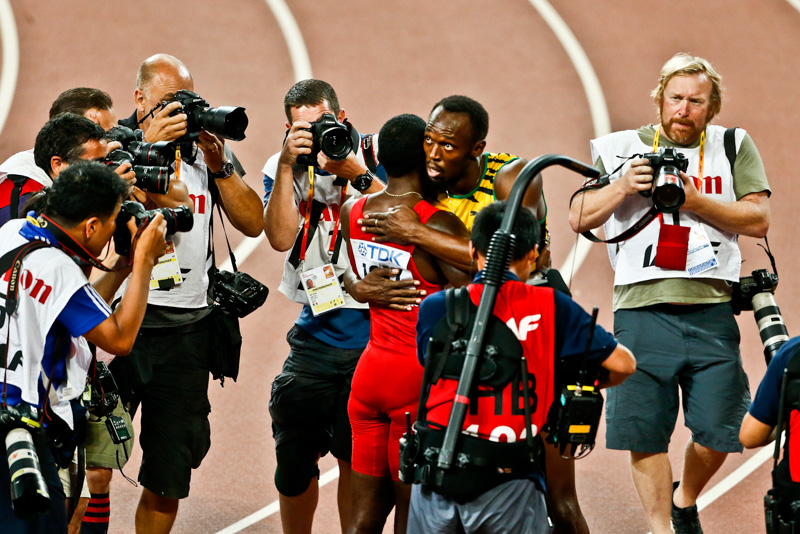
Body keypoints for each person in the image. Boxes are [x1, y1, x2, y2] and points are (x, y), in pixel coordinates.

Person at [352, 96, 587, 534]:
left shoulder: (511, 177)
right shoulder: (430, 184)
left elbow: (510, 261)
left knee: (559, 500)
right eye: (429, 141)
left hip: (531, 345)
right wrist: (355, 287)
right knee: (455, 492)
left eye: (448, 147)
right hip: (473, 360)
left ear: (476, 149)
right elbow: (383, 203)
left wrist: (418, 233)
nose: (434, 155)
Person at [568, 52, 771, 534]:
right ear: (660, 99)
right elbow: (579, 215)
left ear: (712, 106)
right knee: (646, 431)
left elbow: (758, 218)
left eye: (696, 101)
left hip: (711, 309)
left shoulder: (733, 144)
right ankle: (663, 529)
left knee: (724, 431)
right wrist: (620, 187)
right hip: (641, 310)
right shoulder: (619, 147)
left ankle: (686, 497)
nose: (684, 109)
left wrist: (695, 197)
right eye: (676, 98)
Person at [409, 201, 636, 534]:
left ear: (473, 249)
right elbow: (623, 364)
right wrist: (561, 382)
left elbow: (431, 368)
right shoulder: (552, 304)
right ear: (534, 252)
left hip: (435, 476)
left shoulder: (435, 307)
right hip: (509, 480)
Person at [107, 54, 263, 534]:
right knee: (89, 464)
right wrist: (142, 150)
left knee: (169, 477)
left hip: (189, 334)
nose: (183, 113)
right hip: (117, 331)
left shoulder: (203, 151)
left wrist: (221, 169)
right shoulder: (111, 148)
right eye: (170, 102)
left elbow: (253, 222)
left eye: (189, 101)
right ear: (140, 99)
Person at [0, 161, 167, 534]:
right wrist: (143, 263)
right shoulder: (58, 267)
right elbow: (119, 339)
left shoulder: (11, 233)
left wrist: (121, 268)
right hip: (19, 429)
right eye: (111, 224)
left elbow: (80, 314)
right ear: (90, 226)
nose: (113, 231)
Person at [262, 78, 386, 534]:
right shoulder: (284, 167)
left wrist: (353, 171)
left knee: (356, 459)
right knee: (292, 461)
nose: (317, 136)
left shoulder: (376, 157)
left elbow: (398, 220)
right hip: (315, 336)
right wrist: (285, 170)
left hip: (375, 338)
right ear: (288, 128)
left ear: (343, 116)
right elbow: (277, 238)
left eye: (324, 124)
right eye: (304, 129)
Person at [340, 114, 470, 534]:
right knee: (412, 520)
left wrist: (358, 288)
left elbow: (342, 270)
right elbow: (481, 288)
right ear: (424, 156)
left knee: (362, 520)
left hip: (370, 375)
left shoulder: (351, 211)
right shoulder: (434, 221)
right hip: (416, 383)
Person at [0, 88, 130, 226]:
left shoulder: (54, 161)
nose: (114, 144)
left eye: (117, 132)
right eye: (105, 136)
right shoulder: (25, 197)